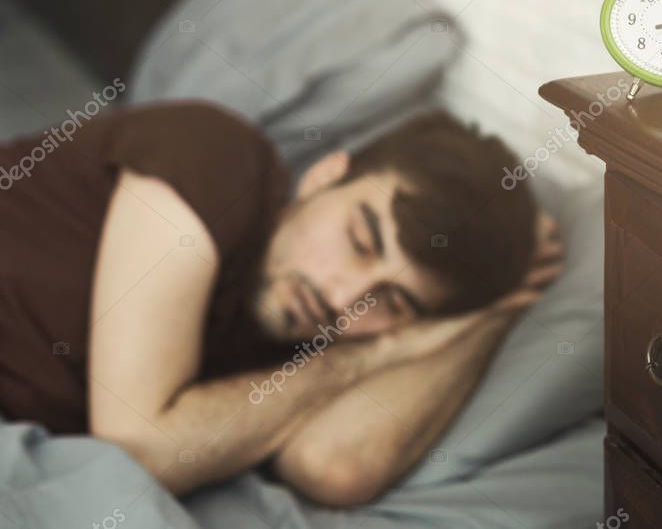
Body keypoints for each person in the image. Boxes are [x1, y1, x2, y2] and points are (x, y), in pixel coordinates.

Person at [0, 101, 562, 506]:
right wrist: (374, 352)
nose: (343, 298)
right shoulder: (216, 156)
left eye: (392, 301)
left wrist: (493, 317)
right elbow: (139, 445)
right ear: (324, 176)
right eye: (361, 239)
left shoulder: (305, 355)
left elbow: (334, 466)